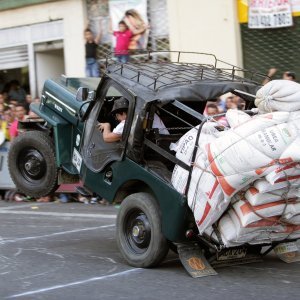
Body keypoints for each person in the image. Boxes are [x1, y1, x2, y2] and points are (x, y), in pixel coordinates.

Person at [98, 97, 169, 143]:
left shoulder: (126, 123)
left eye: (117, 116)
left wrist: (107, 125)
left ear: (123, 113)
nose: (117, 119)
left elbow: (107, 138)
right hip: (165, 141)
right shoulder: (148, 113)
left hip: (158, 146)